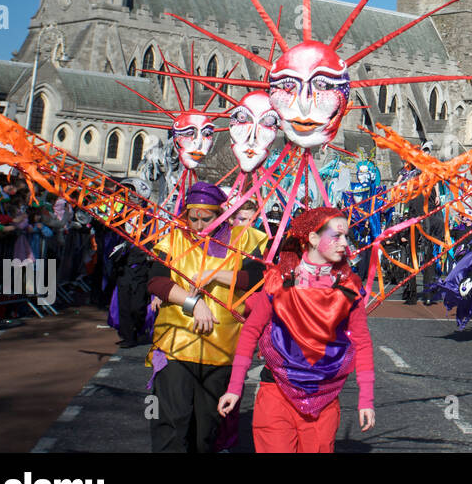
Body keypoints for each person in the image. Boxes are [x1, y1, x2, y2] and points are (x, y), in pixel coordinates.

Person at [218, 207, 375, 452]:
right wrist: (235, 388)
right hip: (276, 393)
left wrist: (366, 399)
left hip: (324, 398)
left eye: (346, 236)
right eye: (336, 236)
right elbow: (250, 332)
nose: (345, 243)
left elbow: (362, 343)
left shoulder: (350, 287)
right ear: (313, 238)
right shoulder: (278, 280)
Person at [145, 181, 267, 453]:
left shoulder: (245, 239)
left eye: (206, 219)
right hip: (176, 345)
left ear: (220, 214)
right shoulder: (173, 239)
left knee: (207, 431)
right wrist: (192, 303)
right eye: (193, 218)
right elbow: (156, 281)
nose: (198, 226)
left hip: (223, 349)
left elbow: (258, 278)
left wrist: (216, 275)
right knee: (171, 423)